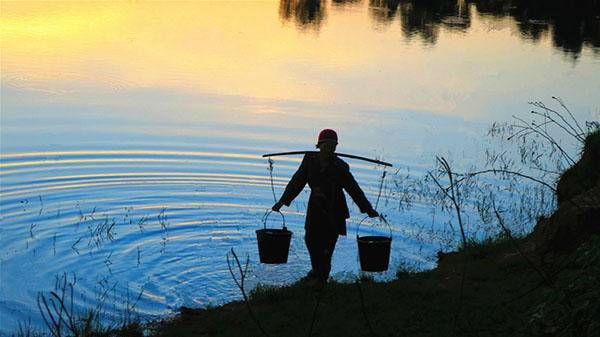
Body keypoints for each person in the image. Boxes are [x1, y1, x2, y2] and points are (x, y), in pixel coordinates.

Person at [272, 129, 379, 283]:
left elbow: (353, 189)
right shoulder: (310, 160)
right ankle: (317, 270)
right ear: (320, 145)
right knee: (310, 239)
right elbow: (297, 182)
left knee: (327, 245)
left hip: (334, 210)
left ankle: (322, 277)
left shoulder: (340, 167)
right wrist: (281, 202)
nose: (330, 148)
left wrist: (368, 209)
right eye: (327, 145)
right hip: (315, 207)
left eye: (333, 146)